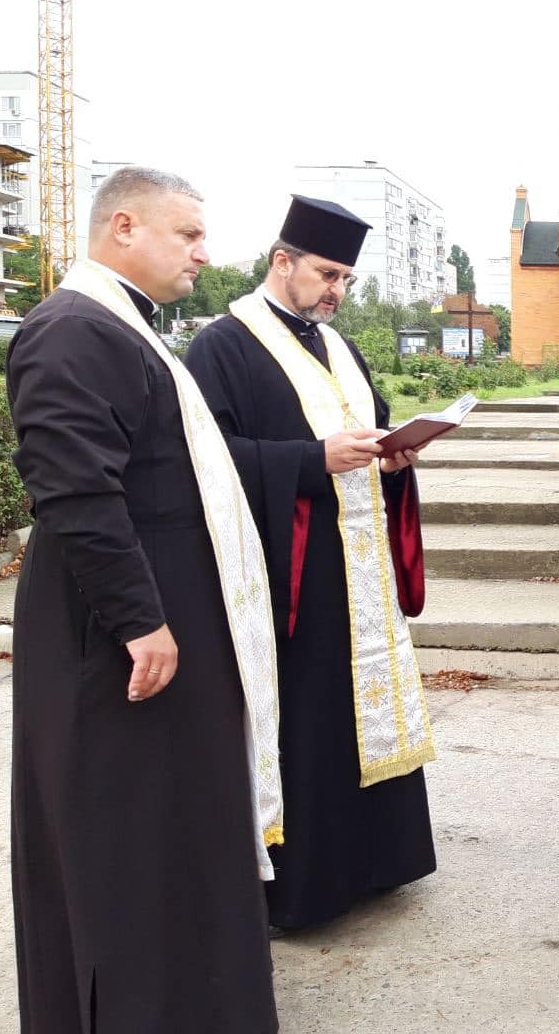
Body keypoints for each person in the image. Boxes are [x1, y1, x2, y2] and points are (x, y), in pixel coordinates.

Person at [6, 167, 281, 1032]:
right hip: (116, 643)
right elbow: (74, 494)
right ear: (123, 227)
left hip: (160, 624)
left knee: (175, 835)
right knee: (118, 841)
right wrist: (140, 620)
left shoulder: (123, 326)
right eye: (188, 235)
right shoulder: (70, 332)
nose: (205, 253)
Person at [185, 195, 436, 933]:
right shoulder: (223, 346)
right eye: (327, 275)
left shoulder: (339, 347)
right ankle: (306, 887)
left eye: (347, 281)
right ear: (281, 262)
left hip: (357, 566)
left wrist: (396, 457)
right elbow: (204, 459)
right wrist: (309, 461)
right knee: (310, 722)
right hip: (287, 572)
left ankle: (375, 864)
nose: (336, 292)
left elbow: (369, 430)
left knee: (362, 712)